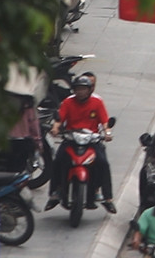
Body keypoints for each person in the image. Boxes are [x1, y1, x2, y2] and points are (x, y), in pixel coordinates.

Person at [46, 73, 114, 212]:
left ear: (89, 90)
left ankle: (107, 198)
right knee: (58, 160)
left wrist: (107, 132)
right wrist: (55, 128)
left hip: (91, 140)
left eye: (83, 89)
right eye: (78, 89)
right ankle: (55, 193)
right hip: (72, 138)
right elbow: (59, 118)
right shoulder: (68, 102)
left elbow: (105, 121)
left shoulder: (97, 102)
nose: (80, 92)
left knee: (103, 162)